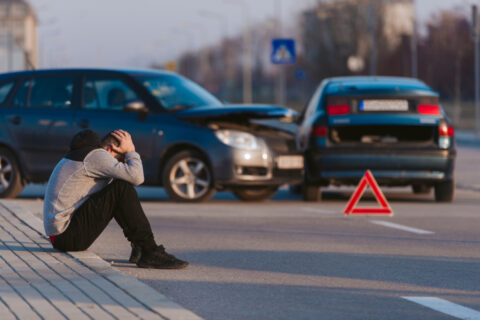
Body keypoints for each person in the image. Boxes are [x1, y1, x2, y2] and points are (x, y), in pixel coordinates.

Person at [43, 129, 188, 269]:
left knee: (117, 185)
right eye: (122, 158)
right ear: (110, 149)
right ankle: (149, 251)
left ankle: (140, 247)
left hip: (61, 235)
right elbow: (137, 177)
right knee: (121, 187)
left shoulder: (84, 154)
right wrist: (131, 152)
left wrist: (126, 156)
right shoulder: (97, 156)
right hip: (66, 237)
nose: (123, 163)